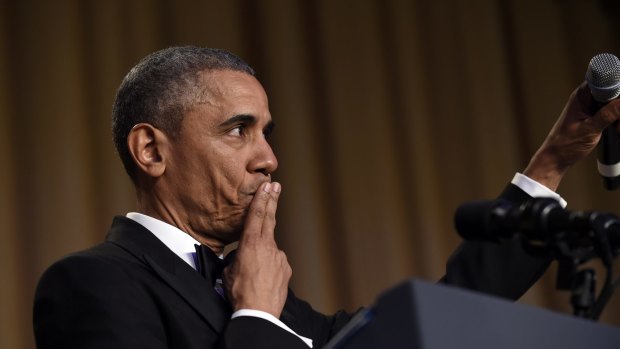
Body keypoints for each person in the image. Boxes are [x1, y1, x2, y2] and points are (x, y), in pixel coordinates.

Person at [33, 46, 620, 349]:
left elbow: (432, 324)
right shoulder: (92, 284)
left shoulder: (269, 297)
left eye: (267, 132)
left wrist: (552, 163)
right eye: (238, 130)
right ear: (151, 151)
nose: (268, 158)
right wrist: (257, 318)